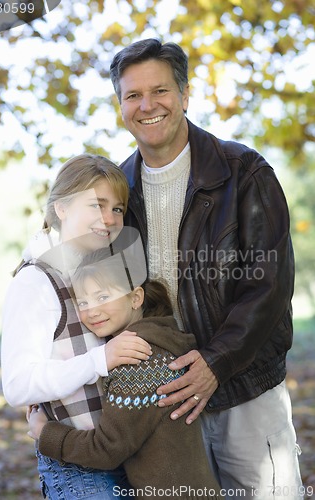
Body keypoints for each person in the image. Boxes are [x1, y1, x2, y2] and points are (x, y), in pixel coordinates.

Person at [108, 38, 303, 499]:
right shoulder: (117, 191)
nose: (147, 105)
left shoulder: (245, 173)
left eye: (160, 91)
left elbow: (269, 285)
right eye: (132, 95)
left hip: (245, 391)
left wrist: (216, 362)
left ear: (185, 95)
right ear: (120, 104)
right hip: (164, 401)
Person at [1, 154, 152, 499]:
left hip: (123, 454)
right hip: (79, 471)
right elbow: (18, 385)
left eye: (117, 209)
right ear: (62, 207)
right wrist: (100, 360)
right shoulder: (36, 282)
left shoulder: (99, 269)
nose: (109, 219)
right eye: (97, 204)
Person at [28, 251, 223, 499]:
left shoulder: (137, 362)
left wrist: (45, 433)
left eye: (103, 296)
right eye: (83, 302)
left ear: (135, 297)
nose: (92, 311)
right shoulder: (162, 340)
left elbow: (106, 449)